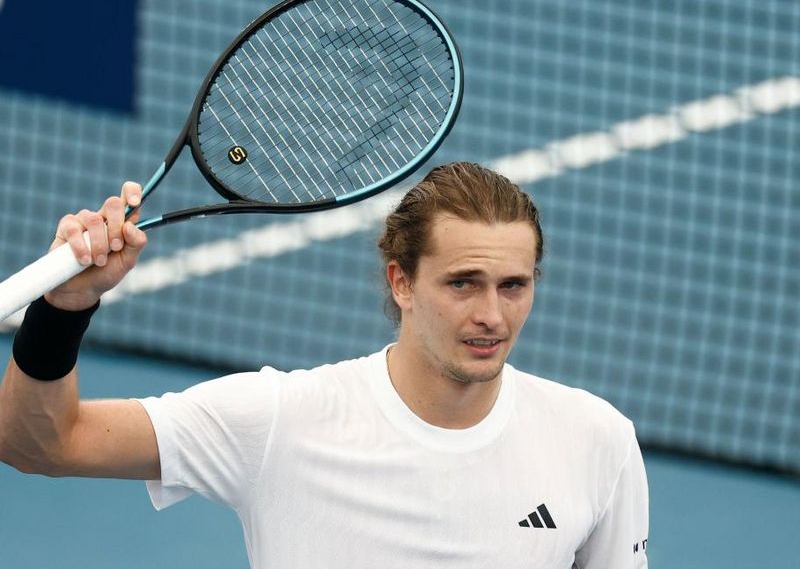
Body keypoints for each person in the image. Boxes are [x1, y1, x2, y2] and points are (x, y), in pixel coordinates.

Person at [0, 161, 649, 568]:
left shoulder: (596, 441)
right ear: (401, 282)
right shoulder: (279, 421)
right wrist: (63, 310)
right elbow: (40, 444)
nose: (492, 315)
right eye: (463, 283)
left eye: (513, 286)